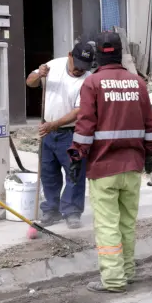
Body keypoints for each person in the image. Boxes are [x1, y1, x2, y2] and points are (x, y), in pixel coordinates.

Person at [68, 32, 152, 293]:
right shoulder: (137, 83)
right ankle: (127, 272)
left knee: (107, 226)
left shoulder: (92, 84)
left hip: (103, 168)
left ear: (98, 55)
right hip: (132, 167)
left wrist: (76, 155)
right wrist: (150, 153)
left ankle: (114, 280)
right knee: (127, 224)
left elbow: (85, 126)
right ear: (120, 52)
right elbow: (150, 126)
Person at [25, 42, 95, 229]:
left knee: (74, 173)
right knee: (48, 173)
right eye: (78, 64)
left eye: (85, 66)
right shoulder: (54, 65)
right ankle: (51, 210)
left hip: (72, 133)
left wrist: (53, 125)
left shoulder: (88, 80)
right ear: (70, 55)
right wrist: (39, 75)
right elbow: (30, 82)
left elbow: (79, 111)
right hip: (48, 133)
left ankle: (72, 211)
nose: (80, 69)